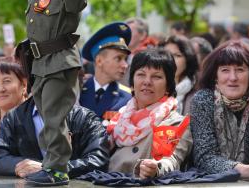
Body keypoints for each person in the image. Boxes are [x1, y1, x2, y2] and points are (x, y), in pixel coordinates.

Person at [22, 0, 87, 186]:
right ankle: (50, 164)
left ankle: (57, 169)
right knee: (45, 114)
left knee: (54, 116)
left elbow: (76, 4)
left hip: (61, 61)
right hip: (40, 63)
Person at [190, 40, 249, 180]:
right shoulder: (203, 100)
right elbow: (204, 158)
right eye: (225, 70)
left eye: (240, 70)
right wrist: (245, 170)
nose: (233, 78)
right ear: (216, 75)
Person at [108, 49, 192, 178]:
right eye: (141, 74)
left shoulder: (175, 122)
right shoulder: (118, 118)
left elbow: (170, 160)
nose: (147, 81)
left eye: (156, 76)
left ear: (168, 86)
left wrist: (155, 168)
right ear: (132, 82)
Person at [0, 97, 110, 179]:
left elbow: (98, 160)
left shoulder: (85, 118)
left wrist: (49, 169)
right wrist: (24, 166)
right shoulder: (14, 117)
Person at [80, 22, 132, 123]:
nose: (125, 65)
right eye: (118, 58)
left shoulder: (128, 98)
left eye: (125, 59)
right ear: (99, 61)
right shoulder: (78, 91)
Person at [160, 35, 199, 115]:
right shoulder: (150, 88)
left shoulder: (198, 94)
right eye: (166, 54)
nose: (171, 59)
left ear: (188, 60)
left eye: (177, 55)